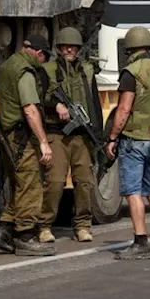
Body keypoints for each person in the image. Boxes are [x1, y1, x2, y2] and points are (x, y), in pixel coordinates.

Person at [106, 25, 150, 260]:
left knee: (132, 191)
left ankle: (140, 241)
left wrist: (113, 137)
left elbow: (124, 109)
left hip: (134, 139)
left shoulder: (131, 72)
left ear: (129, 48)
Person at [0, 34, 56, 256]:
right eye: (43, 58)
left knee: (17, 184)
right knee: (30, 183)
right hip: (21, 137)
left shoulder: (6, 66)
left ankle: (5, 230)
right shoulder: (25, 72)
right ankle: (25, 236)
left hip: (8, 135)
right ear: (39, 53)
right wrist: (44, 142)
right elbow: (29, 108)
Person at [37, 27, 104, 243]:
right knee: (55, 181)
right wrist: (56, 105)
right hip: (57, 134)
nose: (69, 50)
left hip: (82, 135)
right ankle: (45, 225)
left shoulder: (87, 70)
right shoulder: (47, 70)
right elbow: (39, 100)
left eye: (73, 47)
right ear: (58, 48)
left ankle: (83, 225)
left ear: (78, 49)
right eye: (65, 46)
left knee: (84, 181)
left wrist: (98, 136)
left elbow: (94, 104)